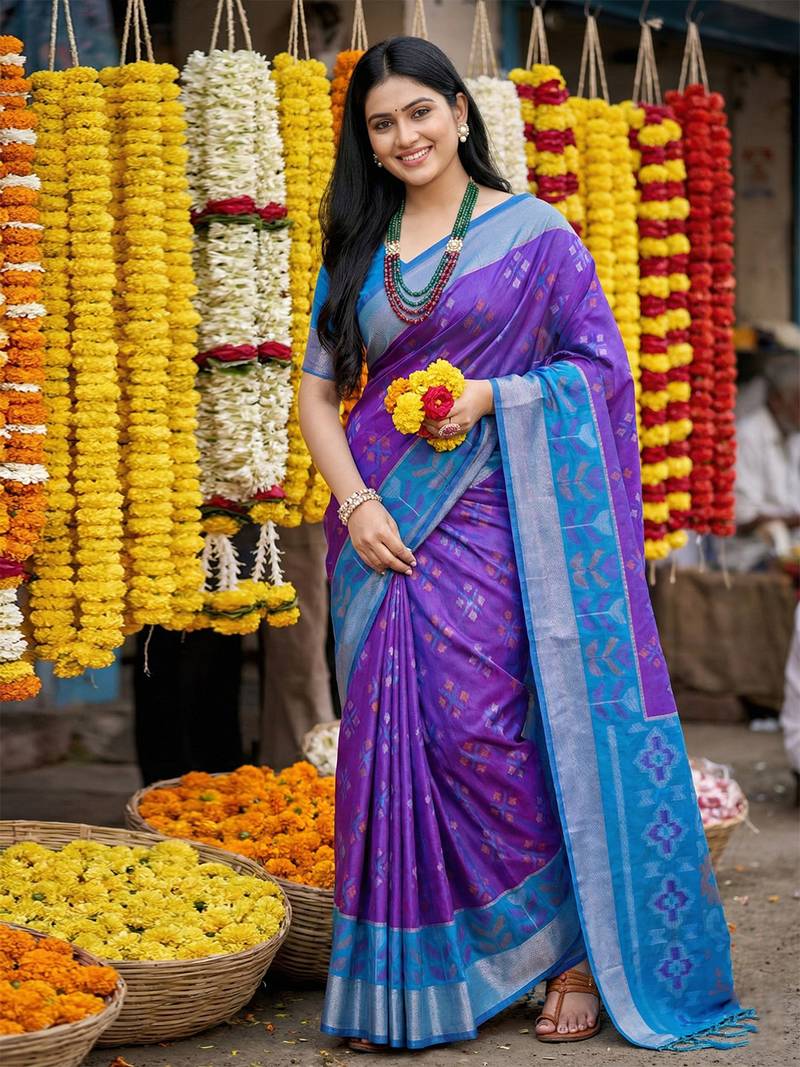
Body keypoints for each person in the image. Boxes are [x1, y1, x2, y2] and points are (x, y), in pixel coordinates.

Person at [298, 37, 754, 1054]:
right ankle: (428, 972)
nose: (404, 135)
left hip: (499, 524)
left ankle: (571, 950)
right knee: (394, 740)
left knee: (489, 731)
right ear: (365, 143)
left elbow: (596, 372)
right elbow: (318, 393)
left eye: (419, 111)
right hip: (380, 530)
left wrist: (489, 393)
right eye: (381, 123)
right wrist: (358, 500)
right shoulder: (354, 247)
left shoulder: (536, 234)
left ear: (459, 114)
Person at [728, 352, 800, 572]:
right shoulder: (747, 435)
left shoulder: (794, 436)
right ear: (776, 400)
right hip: (750, 558)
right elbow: (743, 518)